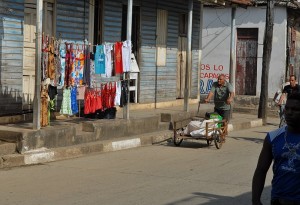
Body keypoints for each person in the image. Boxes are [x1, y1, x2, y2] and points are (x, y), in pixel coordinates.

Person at [252, 93, 300, 205]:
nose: (289, 112)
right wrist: (255, 200)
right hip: (279, 200)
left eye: (295, 109)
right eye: (287, 108)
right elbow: (261, 170)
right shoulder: (273, 137)